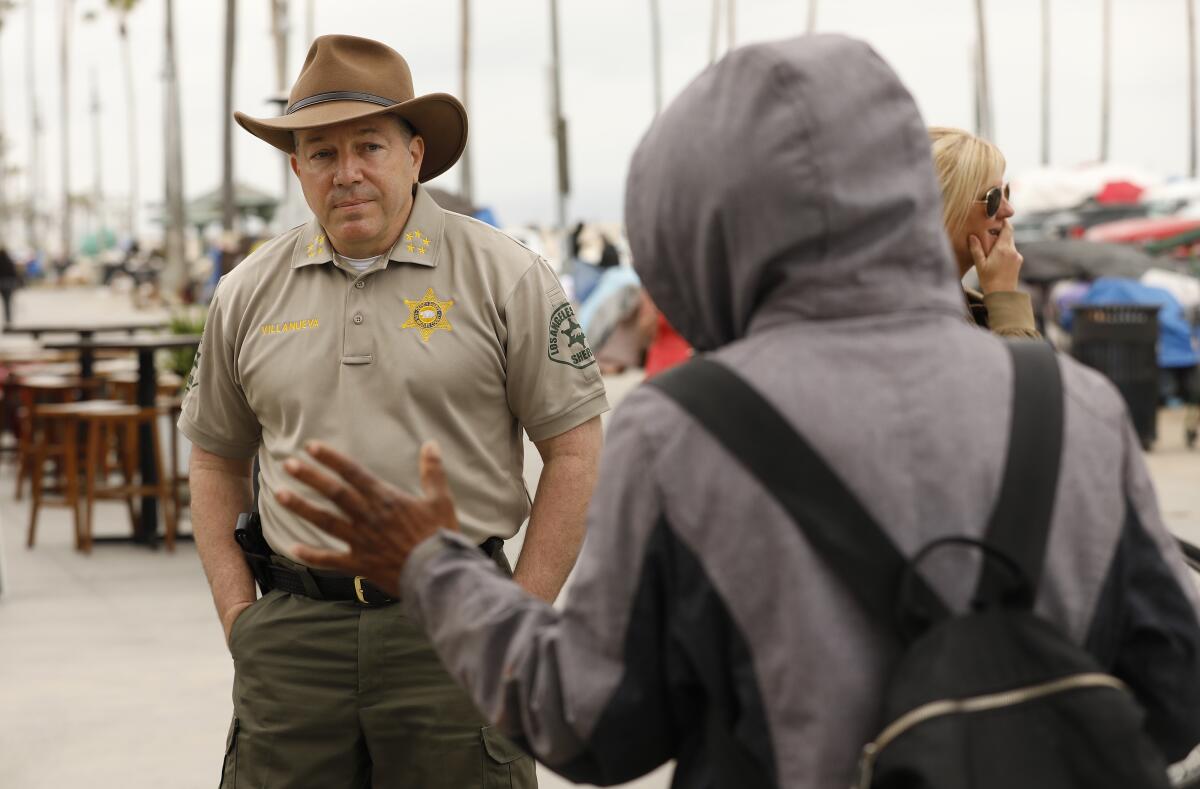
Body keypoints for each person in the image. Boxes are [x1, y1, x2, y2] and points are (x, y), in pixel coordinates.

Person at [275, 35, 1200, 787]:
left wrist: (434, 565)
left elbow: (592, 723)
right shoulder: (1073, 405)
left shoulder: (686, 433)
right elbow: (1170, 686)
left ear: (695, 220)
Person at [178, 34, 607, 788]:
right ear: (297, 169)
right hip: (291, 640)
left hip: (456, 629)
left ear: (414, 154)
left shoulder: (507, 276)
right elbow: (216, 456)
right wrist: (240, 618)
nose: (346, 173)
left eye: (368, 146)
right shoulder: (246, 292)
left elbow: (575, 449)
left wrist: (515, 619)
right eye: (321, 153)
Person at [929, 127, 1041, 338]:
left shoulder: (964, 305)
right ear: (945, 208)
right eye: (994, 197)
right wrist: (1005, 296)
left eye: (1006, 192)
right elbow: (1023, 371)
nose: (1008, 210)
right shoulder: (925, 312)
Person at [0, 247, 22, 325]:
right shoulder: (9, 261)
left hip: (2, 284)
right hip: (9, 284)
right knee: (8, 301)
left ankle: (7, 317)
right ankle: (8, 318)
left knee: (5, 302)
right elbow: (14, 273)